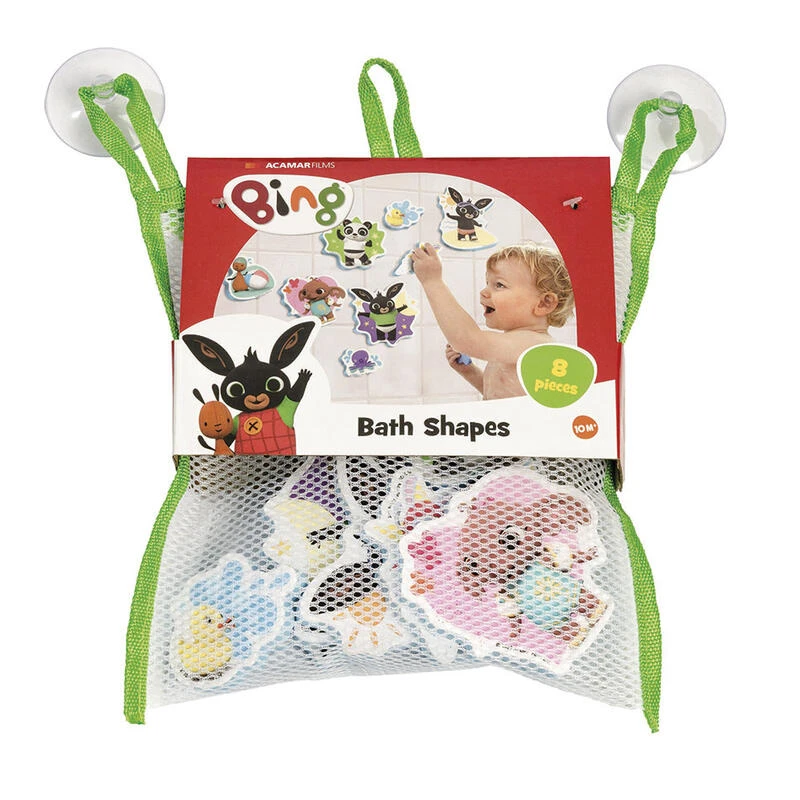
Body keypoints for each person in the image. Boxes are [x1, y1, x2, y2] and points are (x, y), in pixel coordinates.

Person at [410, 242, 575, 399]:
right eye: (487, 283)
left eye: (499, 285)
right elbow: (500, 395)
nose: (484, 291)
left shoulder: (533, 345)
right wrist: (470, 372)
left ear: (544, 303)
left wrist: (432, 281)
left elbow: (467, 339)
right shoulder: (513, 343)